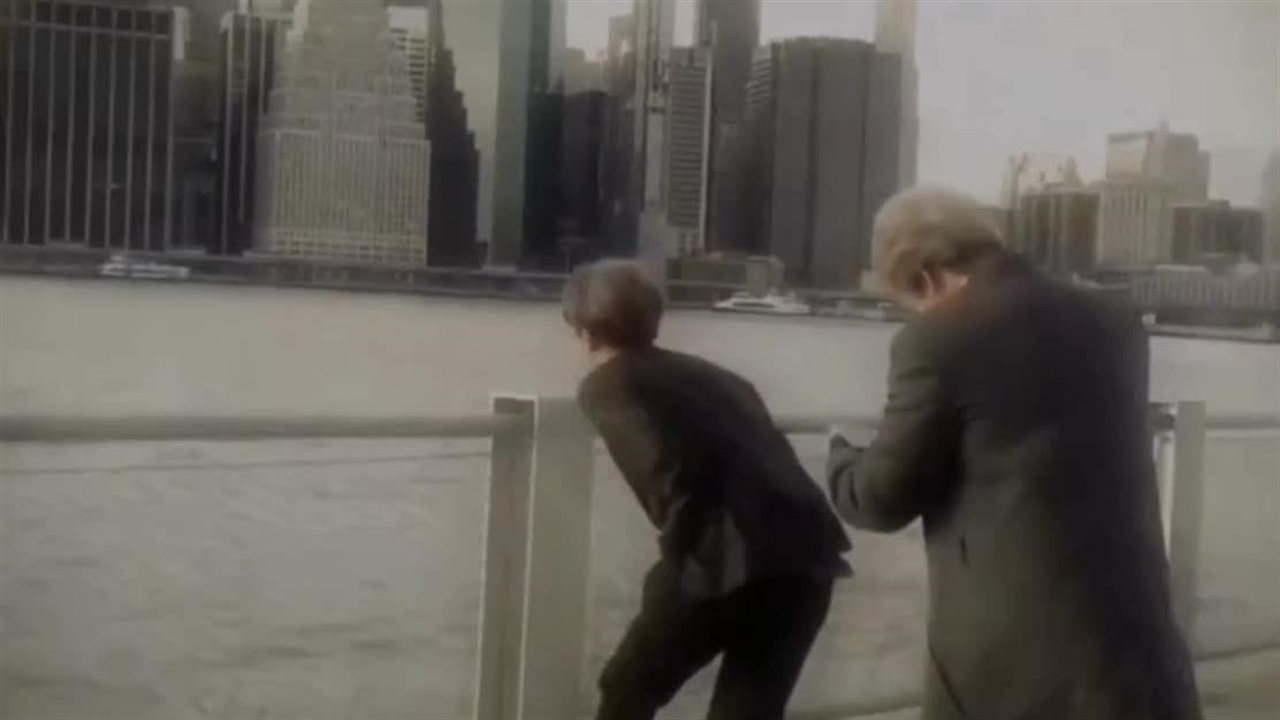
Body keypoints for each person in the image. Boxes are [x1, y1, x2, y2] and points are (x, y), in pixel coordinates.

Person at [827, 186, 1202, 720]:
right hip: (1135, 648)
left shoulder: (937, 338)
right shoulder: (1114, 320)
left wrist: (841, 451)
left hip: (1017, 674)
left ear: (922, 274)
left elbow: (881, 499)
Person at [562, 260, 852, 720]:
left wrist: (670, 578)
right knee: (748, 710)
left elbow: (670, 480)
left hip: (728, 563)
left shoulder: (608, 384)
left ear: (586, 332)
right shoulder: (720, 377)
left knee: (625, 689)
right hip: (807, 557)